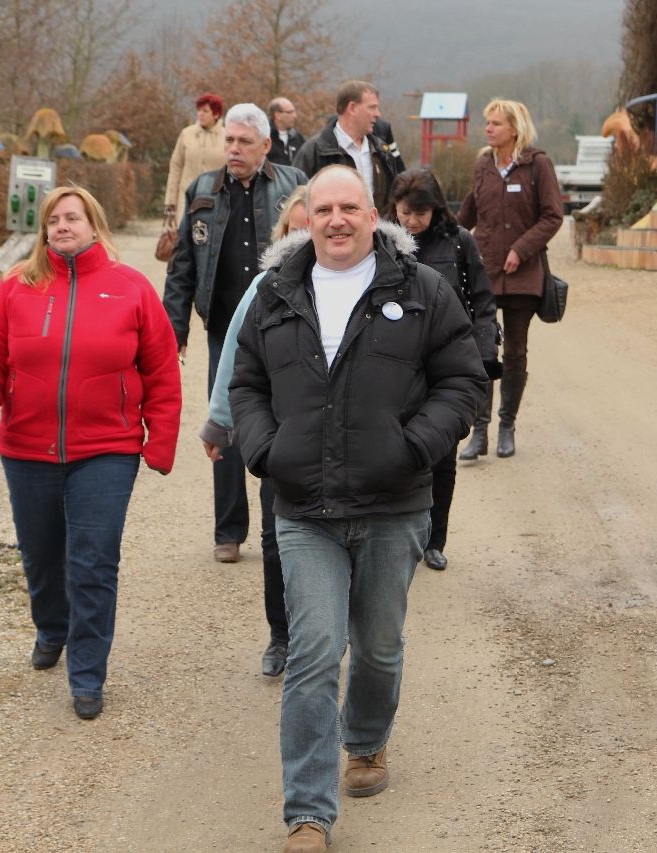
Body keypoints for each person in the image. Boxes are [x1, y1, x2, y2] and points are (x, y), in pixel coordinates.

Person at [228, 166, 486, 853]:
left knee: (377, 644)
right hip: (304, 506)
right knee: (314, 650)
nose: (336, 220)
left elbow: (463, 380)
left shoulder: (422, 289)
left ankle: (367, 739)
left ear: (374, 216)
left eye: (350, 207)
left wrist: (414, 446)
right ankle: (308, 812)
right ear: (307, 218)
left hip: (393, 502)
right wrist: (267, 450)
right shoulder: (275, 292)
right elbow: (246, 382)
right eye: (324, 209)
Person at [0, 185, 182, 720]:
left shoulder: (130, 288)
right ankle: (51, 627)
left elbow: (160, 368)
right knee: (41, 554)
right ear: (44, 231)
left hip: (106, 449)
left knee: (93, 561)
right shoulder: (17, 287)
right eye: (53, 220)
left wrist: (160, 440)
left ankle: (87, 674)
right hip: (26, 448)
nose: (62, 226)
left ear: (94, 225)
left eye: (73, 218)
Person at [164, 103, 307, 563]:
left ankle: (280, 526)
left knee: (279, 423)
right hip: (224, 327)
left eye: (244, 142)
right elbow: (182, 264)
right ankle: (228, 531)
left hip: (281, 327)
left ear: (266, 145)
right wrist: (175, 326)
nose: (234, 149)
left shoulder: (293, 184)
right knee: (223, 423)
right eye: (229, 140)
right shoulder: (203, 189)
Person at [200, 186, 308, 676]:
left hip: (341, 437)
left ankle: (329, 630)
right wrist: (220, 422)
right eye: (294, 230)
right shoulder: (265, 287)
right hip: (282, 438)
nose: (303, 239)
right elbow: (233, 357)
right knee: (275, 538)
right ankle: (281, 635)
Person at [385, 169, 500, 572]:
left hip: (446, 362)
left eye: (421, 212)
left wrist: (482, 356)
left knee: (442, 457)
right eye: (405, 212)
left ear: (436, 209)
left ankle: (435, 539)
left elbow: (483, 302)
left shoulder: (459, 242)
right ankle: (398, 537)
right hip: (396, 363)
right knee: (395, 450)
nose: (412, 221)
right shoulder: (383, 242)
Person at [456, 98, 563, 460]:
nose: (488, 129)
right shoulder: (483, 165)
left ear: (515, 129)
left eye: (496, 123)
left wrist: (521, 249)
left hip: (523, 274)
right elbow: (468, 214)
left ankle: (507, 426)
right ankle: (479, 431)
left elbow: (552, 216)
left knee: (515, 351)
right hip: (484, 273)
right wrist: (440, 236)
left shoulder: (538, 164)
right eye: (487, 123)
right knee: (482, 350)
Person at [292, 80, 402, 211]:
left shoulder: (382, 150)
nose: (378, 114)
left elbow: (393, 200)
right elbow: (295, 201)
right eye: (372, 107)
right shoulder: (313, 151)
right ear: (352, 108)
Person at [163, 93, 226, 219]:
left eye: (205, 111)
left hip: (217, 198)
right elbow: (176, 166)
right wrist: (171, 200)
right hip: (187, 197)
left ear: (216, 114)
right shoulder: (186, 134)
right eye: (198, 110)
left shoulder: (228, 136)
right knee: (185, 230)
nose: (200, 114)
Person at [267, 97, 306, 167]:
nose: (295, 116)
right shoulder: (265, 138)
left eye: (294, 112)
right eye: (290, 112)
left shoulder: (298, 139)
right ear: (277, 115)